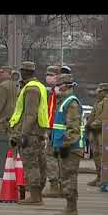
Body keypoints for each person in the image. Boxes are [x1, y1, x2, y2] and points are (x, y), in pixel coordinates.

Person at [9, 61, 49, 205]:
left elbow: (30, 114)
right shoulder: (39, 86)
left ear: (24, 72)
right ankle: (37, 195)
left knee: (31, 164)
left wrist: (23, 134)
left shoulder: (31, 89)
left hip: (30, 132)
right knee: (39, 163)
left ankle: (35, 196)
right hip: (38, 131)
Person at [51, 74, 85, 215]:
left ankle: (71, 209)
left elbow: (73, 128)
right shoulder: (65, 101)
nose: (56, 88)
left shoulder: (71, 103)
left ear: (66, 86)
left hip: (71, 148)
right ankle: (69, 207)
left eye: (58, 85)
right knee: (66, 177)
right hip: (66, 147)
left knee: (69, 177)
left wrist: (65, 145)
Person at [42, 65, 63, 198]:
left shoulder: (59, 92)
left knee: (52, 156)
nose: (48, 77)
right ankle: (59, 185)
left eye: (51, 75)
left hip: (57, 130)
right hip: (54, 128)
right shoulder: (54, 92)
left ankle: (55, 185)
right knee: (57, 157)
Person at [86, 83, 108, 186]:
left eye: (99, 91)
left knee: (103, 156)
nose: (97, 92)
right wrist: (88, 125)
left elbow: (104, 118)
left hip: (104, 133)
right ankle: (99, 176)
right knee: (96, 155)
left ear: (105, 91)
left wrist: (91, 125)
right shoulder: (98, 102)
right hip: (95, 133)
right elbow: (93, 115)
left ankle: (105, 178)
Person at [0, 65, 18, 133]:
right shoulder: (17, 85)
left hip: (3, 121)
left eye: (2, 72)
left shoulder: (3, 86)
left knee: (1, 141)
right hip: (14, 120)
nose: (0, 74)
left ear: (8, 73)